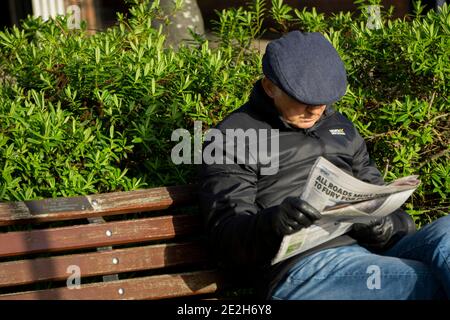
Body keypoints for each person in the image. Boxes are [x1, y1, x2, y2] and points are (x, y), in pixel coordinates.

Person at [198, 31, 450, 300]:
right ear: (270, 87)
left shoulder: (339, 126)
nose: (316, 110)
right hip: (302, 271)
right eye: (303, 100)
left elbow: (382, 199)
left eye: (323, 100)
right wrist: (273, 223)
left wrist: (384, 225)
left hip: (366, 252)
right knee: (422, 282)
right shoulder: (233, 136)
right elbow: (224, 238)